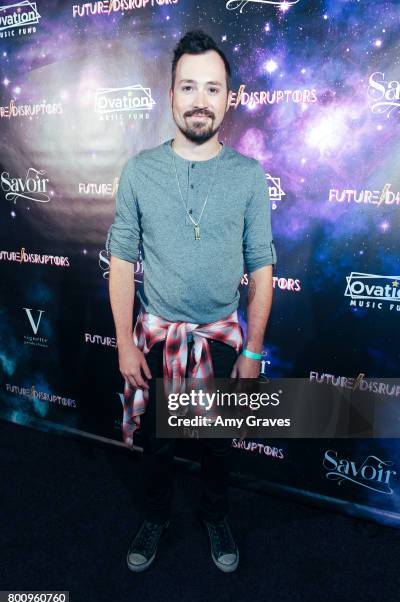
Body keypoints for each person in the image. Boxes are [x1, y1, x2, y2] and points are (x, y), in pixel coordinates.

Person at [105, 29, 277, 573]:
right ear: (171, 95)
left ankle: (215, 515)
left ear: (229, 97)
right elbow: (122, 263)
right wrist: (124, 346)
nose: (200, 101)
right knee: (157, 445)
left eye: (212, 88)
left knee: (217, 447)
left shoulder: (249, 176)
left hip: (222, 341)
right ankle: (156, 514)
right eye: (188, 87)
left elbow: (262, 268)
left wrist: (252, 352)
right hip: (155, 338)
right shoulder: (139, 171)